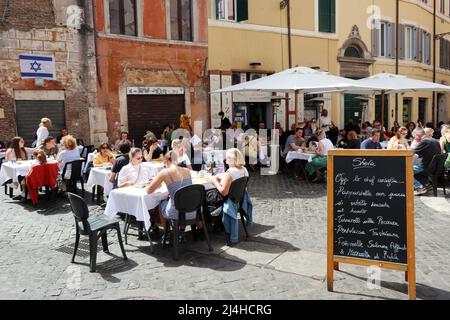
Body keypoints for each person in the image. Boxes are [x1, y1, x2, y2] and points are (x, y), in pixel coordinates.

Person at [146, 151, 197, 243]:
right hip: (191, 211)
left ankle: (167, 233)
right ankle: (182, 232)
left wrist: (158, 182)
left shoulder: (165, 172)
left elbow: (149, 190)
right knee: (183, 201)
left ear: (166, 161)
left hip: (175, 212)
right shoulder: (187, 171)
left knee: (160, 202)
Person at [211, 148, 251, 246]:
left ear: (233, 159)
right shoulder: (244, 169)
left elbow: (223, 192)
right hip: (239, 200)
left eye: (228, 158)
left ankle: (210, 224)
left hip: (229, 200)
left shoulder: (230, 173)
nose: (226, 159)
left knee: (208, 199)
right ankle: (217, 225)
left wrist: (214, 180)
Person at [413, 128, 441, 195]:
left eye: (414, 136)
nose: (414, 138)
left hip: (426, 168)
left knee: (406, 170)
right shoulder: (435, 140)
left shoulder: (425, 141)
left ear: (418, 135)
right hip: (434, 167)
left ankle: (419, 187)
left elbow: (412, 152)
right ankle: (426, 184)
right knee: (414, 167)